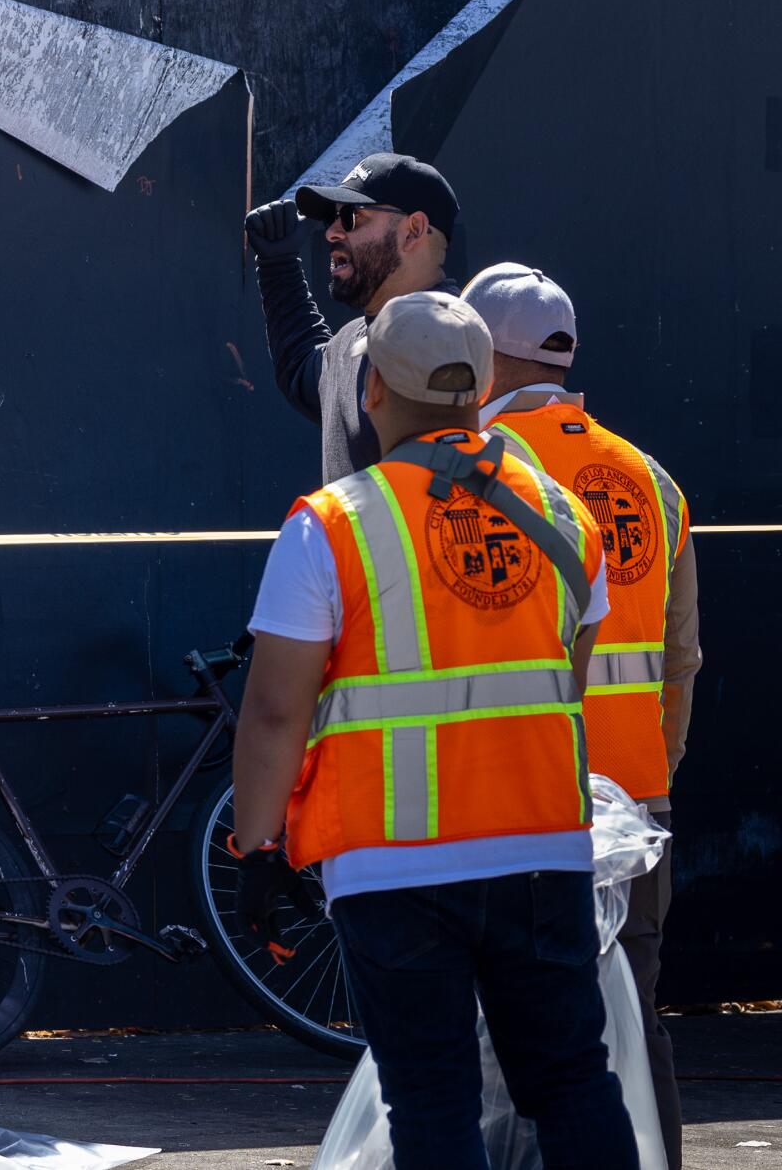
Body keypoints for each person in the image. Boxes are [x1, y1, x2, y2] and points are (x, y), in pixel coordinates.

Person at [232, 291, 639, 1170]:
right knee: (571, 1078)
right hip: (543, 851)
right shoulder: (568, 517)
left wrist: (258, 849)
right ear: (485, 382)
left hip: (394, 862)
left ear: (371, 386)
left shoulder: (331, 527)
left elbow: (274, 710)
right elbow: (562, 684)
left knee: (430, 1094)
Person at [464, 262, 698, 1169]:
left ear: (482, 357)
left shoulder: (483, 476)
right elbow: (681, 660)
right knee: (636, 1030)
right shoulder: (650, 478)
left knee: (507, 1047)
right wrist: (651, 783)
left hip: (516, 805)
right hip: (633, 803)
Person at [245, 153, 462, 481]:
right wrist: (279, 266)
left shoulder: (468, 341)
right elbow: (303, 368)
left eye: (351, 217)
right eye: (331, 218)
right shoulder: (351, 342)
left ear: (413, 230)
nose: (331, 232)